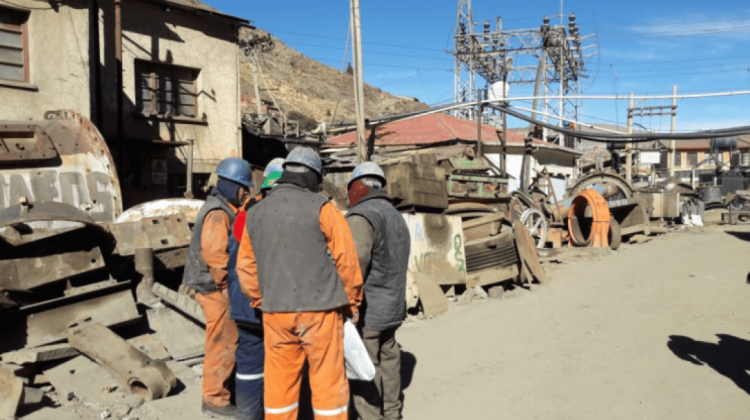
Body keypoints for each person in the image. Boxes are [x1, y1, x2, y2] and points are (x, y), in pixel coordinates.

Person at [236, 147, 363, 420]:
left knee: (280, 389)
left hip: (275, 314)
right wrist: (352, 303)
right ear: (312, 177)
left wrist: (261, 300)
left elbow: (245, 267)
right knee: (328, 385)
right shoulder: (324, 209)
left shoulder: (255, 212)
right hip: (321, 313)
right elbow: (347, 262)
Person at [182, 157, 254, 419]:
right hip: (213, 287)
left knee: (226, 340)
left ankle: (221, 390)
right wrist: (228, 289)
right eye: (243, 188)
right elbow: (216, 257)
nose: (244, 192)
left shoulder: (223, 207)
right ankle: (214, 399)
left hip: (213, 285)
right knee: (222, 341)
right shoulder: (217, 212)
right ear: (231, 185)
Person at [345, 162, 410, 420]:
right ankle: (392, 413)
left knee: (363, 370)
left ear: (357, 187)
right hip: (393, 309)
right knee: (391, 362)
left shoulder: (363, 216)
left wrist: (347, 305)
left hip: (369, 312)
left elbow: (354, 266)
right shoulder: (396, 216)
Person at [227, 157, 285, 420]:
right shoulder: (285, 212)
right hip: (271, 304)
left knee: (249, 363)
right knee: (280, 365)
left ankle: (248, 414)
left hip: (242, 301)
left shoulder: (245, 211)